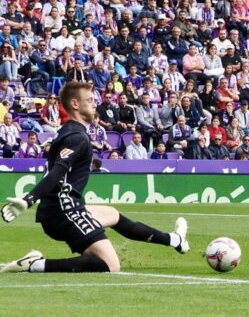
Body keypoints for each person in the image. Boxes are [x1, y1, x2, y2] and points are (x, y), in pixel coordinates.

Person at [0, 82, 189, 274]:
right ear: (75, 104)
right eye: (89, 100)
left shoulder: (70, 131)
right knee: (110, 265)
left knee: (113, 215)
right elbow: (58, 171)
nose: (94, 104)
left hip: (58, 207)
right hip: (63, 210)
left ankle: (174, 240)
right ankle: (35, 264)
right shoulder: (77, 137)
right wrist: (28, 199)